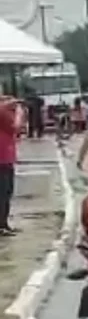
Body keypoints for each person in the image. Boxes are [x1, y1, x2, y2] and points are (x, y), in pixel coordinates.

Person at [0, 96, 22, 236]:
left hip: (6, 157)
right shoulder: (3, 112)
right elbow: (16, 126)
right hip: (3, 159)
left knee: (5, 192)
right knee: (4, 193)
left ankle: (3, 224)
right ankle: (2, 225)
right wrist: (19, 112)